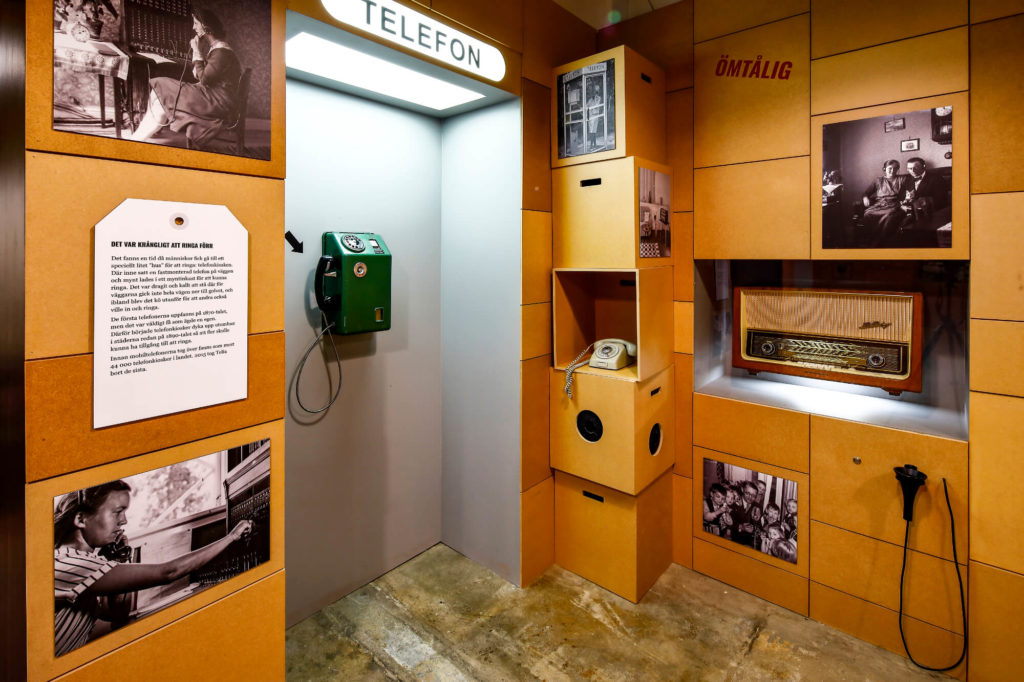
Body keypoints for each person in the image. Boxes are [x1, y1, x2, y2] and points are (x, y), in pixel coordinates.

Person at [53, 480, 253, 657]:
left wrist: (116, 559)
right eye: (117, 512)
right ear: (81, 519)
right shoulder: (69, 562)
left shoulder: (84, 561)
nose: (124, 520)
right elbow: (168, 572)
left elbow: (116, 613)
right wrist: (231, 537)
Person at [129, 8, 242, 144]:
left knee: (161, 86)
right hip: (212, 96)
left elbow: (204, 79)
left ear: (206, 27)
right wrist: (199, 58)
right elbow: (204, 75)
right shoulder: (218, 49)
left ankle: (136, 139)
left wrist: (196, 50)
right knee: (159, 93)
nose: (193, 27)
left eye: (196, 23)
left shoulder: (221, 52)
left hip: (217, 102)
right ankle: (141, 135)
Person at [861, 159, 912, 246]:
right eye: (890, 168)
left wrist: (907, 198)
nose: (893, 170)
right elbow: (866, 193)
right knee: (867, 214)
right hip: (879, 204)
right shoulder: (878, 180)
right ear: (884, 169)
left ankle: (879, 240)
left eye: (895, 168)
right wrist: (865, 198)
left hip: (894, 204)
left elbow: (910, 189)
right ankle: (870, 238)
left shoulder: (902, 179)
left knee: (889, 214)